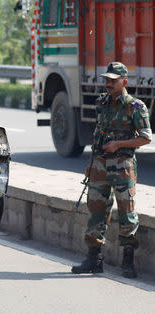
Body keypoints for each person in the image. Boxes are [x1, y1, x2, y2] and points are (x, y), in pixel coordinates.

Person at [71, 62, 152, 278]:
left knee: (127, 213)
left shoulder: (135, 106)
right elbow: (98, 135)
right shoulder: (102, 103)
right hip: (99, 165)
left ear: (124, 82)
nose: (108, 84)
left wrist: (118, 145)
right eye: (106, 80)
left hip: (123, 166)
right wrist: (90, 163)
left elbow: (146, 137)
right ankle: (94, 259)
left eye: (112, 81)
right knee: (96, 210)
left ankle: (128, 261)